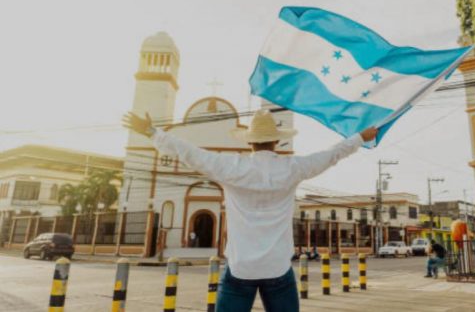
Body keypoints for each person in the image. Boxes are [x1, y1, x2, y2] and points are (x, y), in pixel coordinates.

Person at [123, 109, 377, 312]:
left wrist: (151, 132)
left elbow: (191, 153)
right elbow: (331, 155)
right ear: (276, 141)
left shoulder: (232, 167)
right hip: (278, 268)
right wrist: (360, 138)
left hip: (241, 268)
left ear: (250, 143)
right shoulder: (293, 168)